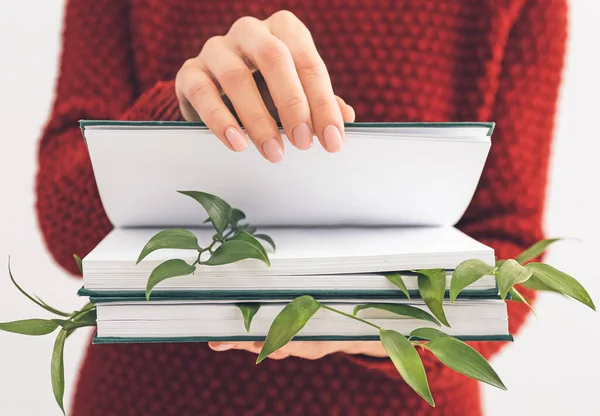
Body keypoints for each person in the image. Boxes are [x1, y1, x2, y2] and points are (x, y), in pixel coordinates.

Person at [36, 0, 567, 414]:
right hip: (145, 401)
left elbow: (510, 251)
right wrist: (178, 119)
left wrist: (378, 323)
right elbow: (67, 225)